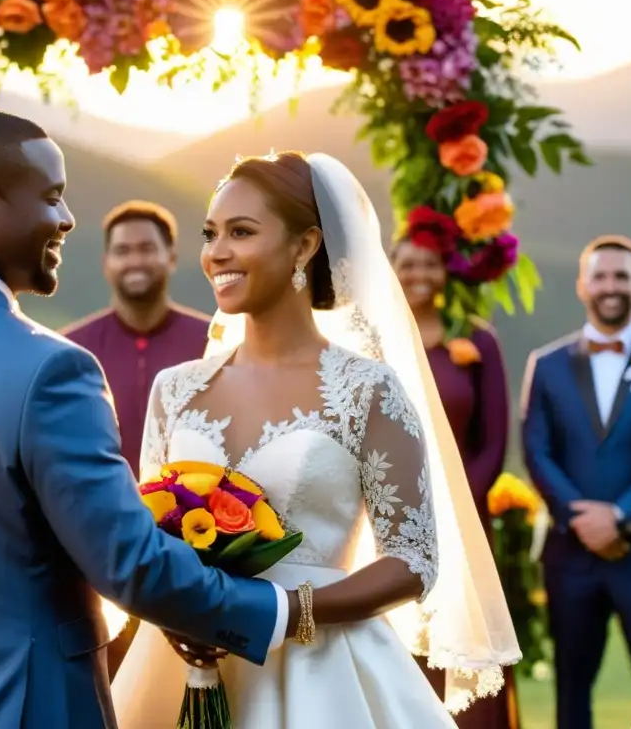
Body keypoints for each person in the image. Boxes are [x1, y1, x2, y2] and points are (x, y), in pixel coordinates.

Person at [0, 107, 298, 729]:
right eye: (52, 198)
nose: (68, 219)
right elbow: (129, 565)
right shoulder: (51, 370)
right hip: (36, 707)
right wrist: (284, 609)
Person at [111, 152, 521, 728]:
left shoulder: (367, 389)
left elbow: (413, 559)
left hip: (323, 674)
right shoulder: (175, 390)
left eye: (241, 232)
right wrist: (177, 613)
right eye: (210, 234)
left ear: (305, 247)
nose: (216, 253)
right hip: (180, 668)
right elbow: (143, 532)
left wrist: (279, 611)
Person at [521, 234, 631, 729]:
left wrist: (619, 517)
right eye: (599, 275)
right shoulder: (547, 366)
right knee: (571, 694)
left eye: (621, 275)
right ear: (582, 285)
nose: (610, 285)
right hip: (569, 557)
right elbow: (537, 452)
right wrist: (582, 520)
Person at [391, 238, 518, 729]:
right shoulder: (373, 338)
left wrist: (456, 512)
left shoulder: (477, 341)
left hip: (467, 528)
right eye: (407, 264)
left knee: (469, 643)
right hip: (392, 523)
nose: (419, 273)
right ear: (391, 270)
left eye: (430, 262)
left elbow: (493, 440)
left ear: (446, 274)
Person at [62, 200, 210, 480]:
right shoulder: (71, 350)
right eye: (122, 251)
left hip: (194, 516)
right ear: (106, 264)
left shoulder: (213, 343)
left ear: (172, 257)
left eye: (147, 249)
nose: (135, 261)